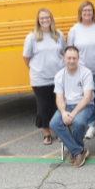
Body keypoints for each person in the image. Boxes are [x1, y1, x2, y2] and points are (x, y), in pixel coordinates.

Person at [21, 9, 65, 145]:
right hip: (40, 80)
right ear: (38, 21)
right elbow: (26, 57)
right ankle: (47, 133)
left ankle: (59, 131)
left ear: (51, 19)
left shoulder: (59, 35)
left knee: (58, 106)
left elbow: (63, 52)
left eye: (47, 18)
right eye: (42, 18)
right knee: (44, 107)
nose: (45, 20)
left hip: (58, 78)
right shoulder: (32, 37)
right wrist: (35, 70)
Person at [49, 46, 95, 167]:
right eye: (69, 58)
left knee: (78, 122)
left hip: (85, 106)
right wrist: (64, 112)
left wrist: (74, 113)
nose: (71, 61)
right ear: (63, 58)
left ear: (78, 58)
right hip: (67, 106)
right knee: (54, 123)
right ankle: (78, 150)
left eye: (74, 58)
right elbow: (59, 98)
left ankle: (74, 151)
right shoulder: (59, 75)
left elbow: (87, 97)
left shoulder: (86, 73)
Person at [66, 1, 95, 73]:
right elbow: (70, 51)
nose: (87, 13)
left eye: (89, 10)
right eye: (84, 10)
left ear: (93, 12)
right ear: (80, 12)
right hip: (82, 72)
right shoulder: (74, 30)